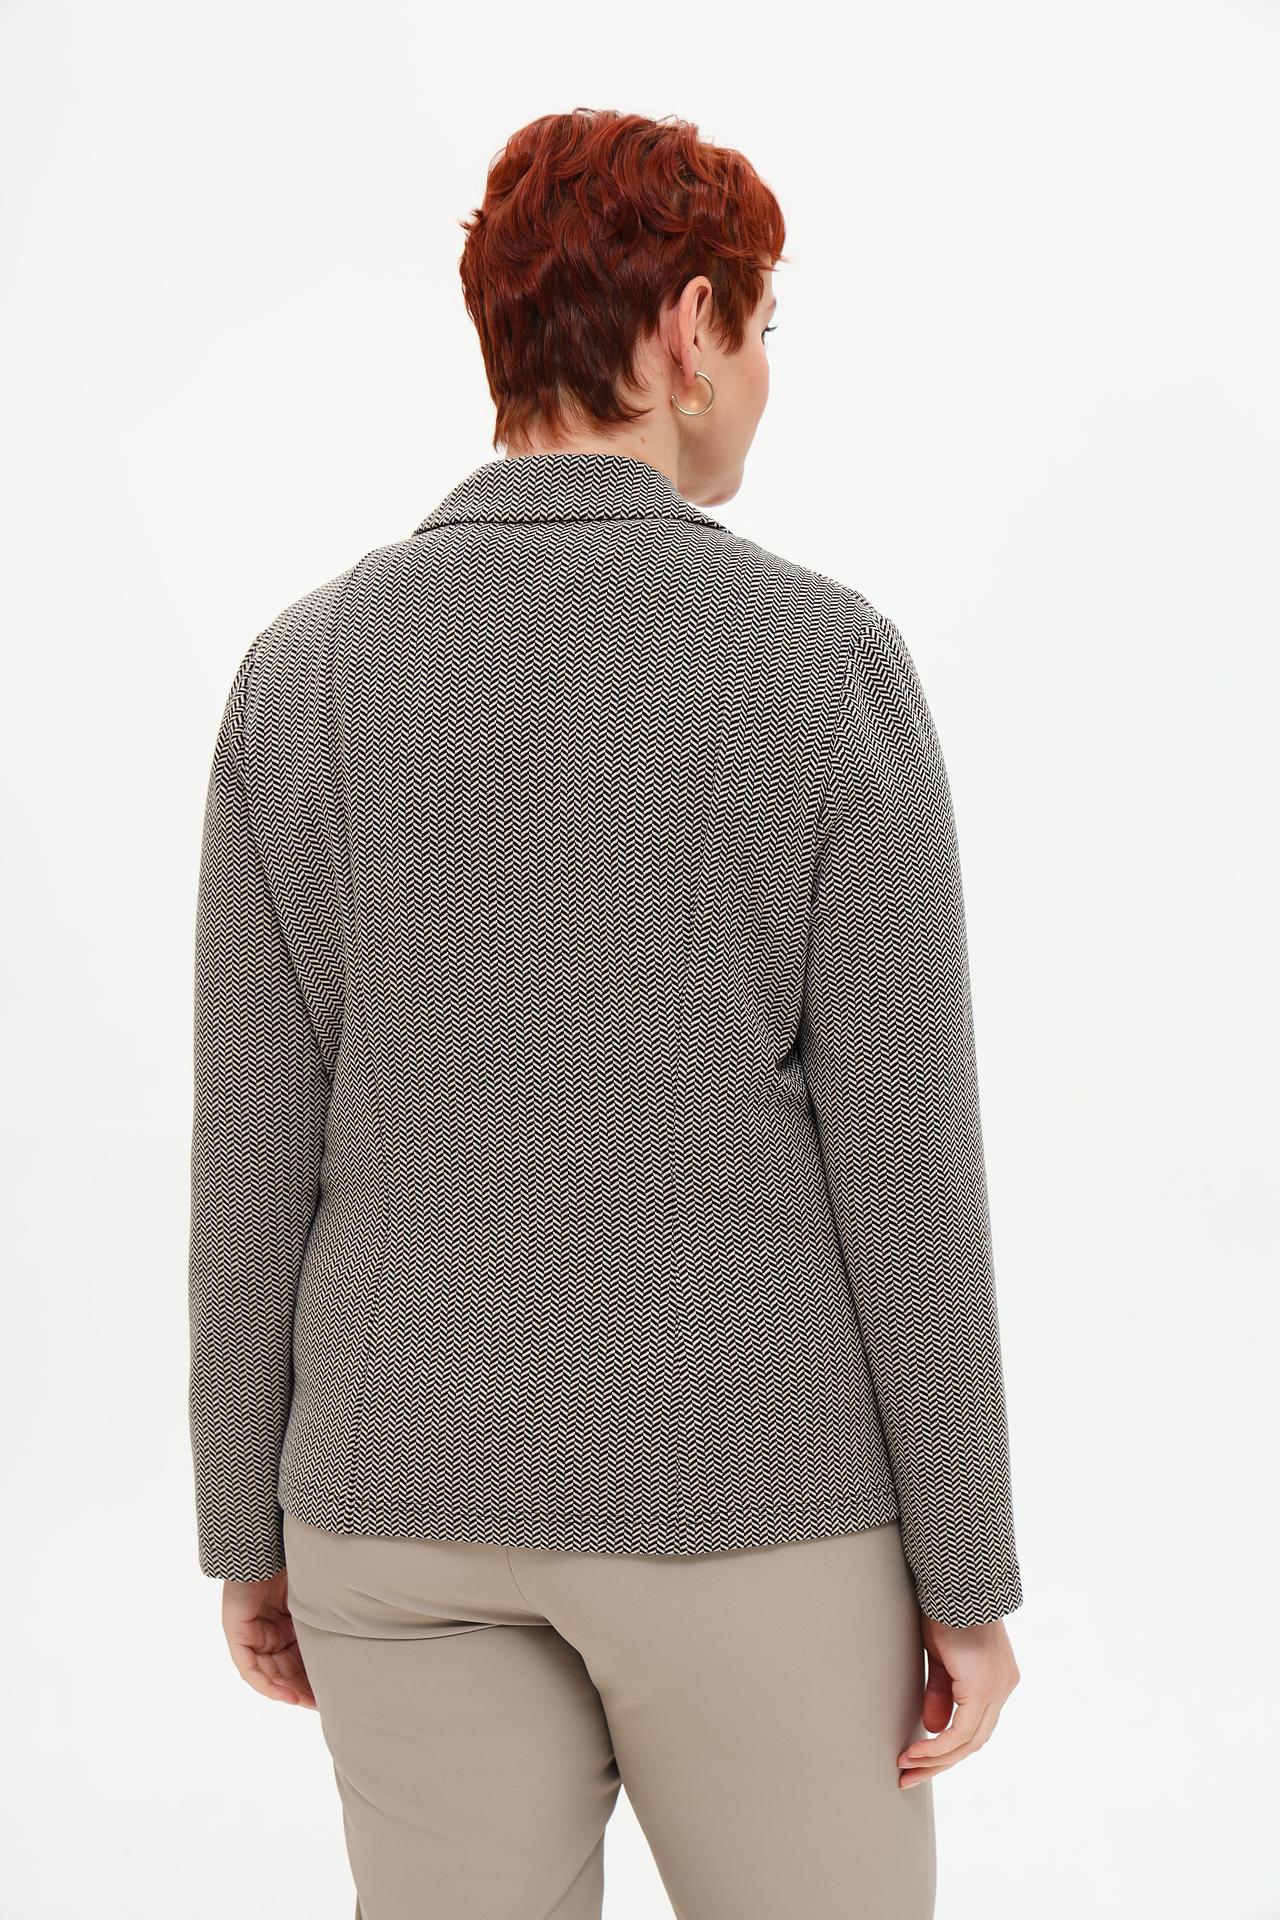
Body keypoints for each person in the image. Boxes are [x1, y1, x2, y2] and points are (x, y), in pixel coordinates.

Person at [188, 106, 1024, 1920]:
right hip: (749, 1504)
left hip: (389, 1507)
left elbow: (251, 1153)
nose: (764, 373)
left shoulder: (295, 677)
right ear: (688, 327)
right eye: (764, 327)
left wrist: (242, 1524)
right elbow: (909, 1168)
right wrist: (967, 1569)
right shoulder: (819, 663)